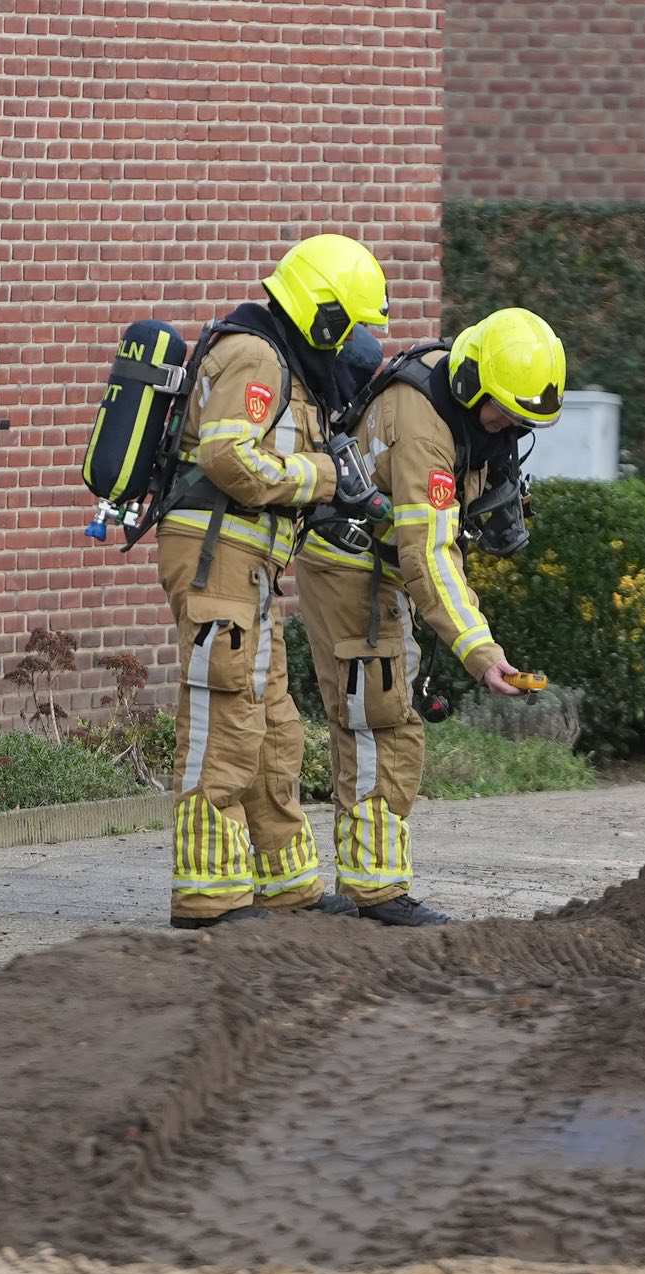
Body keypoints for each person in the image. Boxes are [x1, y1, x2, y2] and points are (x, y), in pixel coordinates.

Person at [292, 307, 566, 926]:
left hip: (378, 576)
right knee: (379, 723)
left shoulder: (463, 403)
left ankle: (364, 884)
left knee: (379, 719)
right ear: (472, 383)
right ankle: (376, 894)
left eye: (523, 423)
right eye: (504, 413)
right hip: (352, 575)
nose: (506, 427)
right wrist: (480, 649)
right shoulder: (422, 424)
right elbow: (428, 553)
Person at [157, 232, 392, 929]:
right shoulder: (256, 356)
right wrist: (320, 479)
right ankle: (207, 894)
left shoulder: (281, 359)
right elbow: (230, 456)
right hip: (216, 558)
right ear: (324, 318)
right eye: (352, 328)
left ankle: (285, 884)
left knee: (275, 727)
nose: (355, 346)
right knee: (225, 720)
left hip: (250, 564)